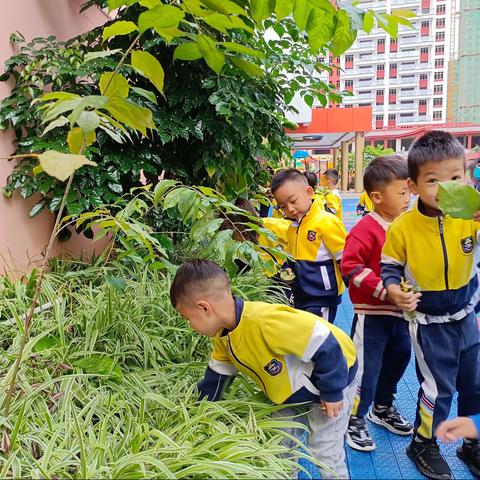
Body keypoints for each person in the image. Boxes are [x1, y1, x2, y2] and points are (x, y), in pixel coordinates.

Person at [170, 259, 358, 479]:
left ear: (204, 308)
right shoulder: (224, 338)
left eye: (188, 319)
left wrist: (332, 391)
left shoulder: (265, 322)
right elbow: (216, 378)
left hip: (332, 379)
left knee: (324, 449)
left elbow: (325, 344)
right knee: (281, 444)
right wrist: (197, 412)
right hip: (289, 393)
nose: (190, 326)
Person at [381, 130, 480, 480]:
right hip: (428, 321)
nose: (446, 188)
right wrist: (394, 290)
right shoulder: (404, 227)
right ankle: (423, 442)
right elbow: (390, 267)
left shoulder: (470, 215)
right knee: (439, 388)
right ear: (414, 185)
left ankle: (471, 442)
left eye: (456, 177)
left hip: (467, 315)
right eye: (434, 180)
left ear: (467, 177)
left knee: (474, 381)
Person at [341, 155, 413, 452]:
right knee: (365, 369)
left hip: (401, 314)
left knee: (399, 359)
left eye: (410, 191)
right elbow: (350, 265)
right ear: (377, 197)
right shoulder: (366, 229)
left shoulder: (407, 226)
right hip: (372, 313)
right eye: (402, 193)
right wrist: (386, 290)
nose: (409, 198)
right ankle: (353, 417)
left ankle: (382, 408)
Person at [271, 169, 347, 323]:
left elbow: (345, 258)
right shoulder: (293, 226)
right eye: (283, 206)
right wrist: (287, 267)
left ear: (309, 192)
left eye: (293, 201)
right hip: (302, 294)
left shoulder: (326, 222)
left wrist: (356, 285)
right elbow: (291, 255)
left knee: (321, 338)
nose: (290, 209)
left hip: (322, 296)